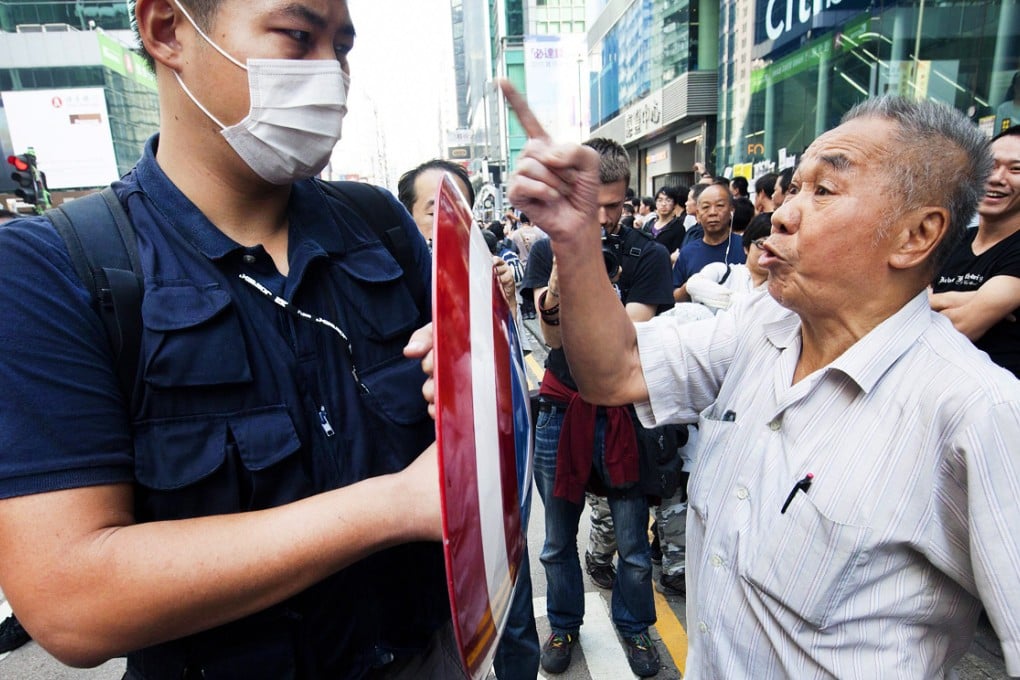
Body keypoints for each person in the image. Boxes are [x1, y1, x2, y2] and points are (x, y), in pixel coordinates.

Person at [0, 2, 462, 678]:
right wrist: (395, 505)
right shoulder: (54, 270)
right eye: (298, 38)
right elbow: (72, 600)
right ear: (167, 30)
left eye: (341, 48)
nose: (330, 76)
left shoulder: (382, 229)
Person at [502, 80, 1020, 677]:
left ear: (916, 235)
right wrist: (573, 236)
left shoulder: (977, 413)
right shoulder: (761, 324)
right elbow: (614, 370)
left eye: (824, 190)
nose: (784, 212)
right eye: (794, 187)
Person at [519, 137, 673, 678]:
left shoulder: (647, 256)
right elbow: (553, 341)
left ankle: (635, 629)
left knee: (633, 544)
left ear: (628, 196)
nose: (604, 218)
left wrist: (595, 280)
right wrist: (562, 284)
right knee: (557, 539)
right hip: (561, 410)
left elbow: (631, 344)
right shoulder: (547, 251)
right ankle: (562, 623)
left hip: (624, 414)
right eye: (593, 206)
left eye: (614, 205)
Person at [931, 126, 1020, 378]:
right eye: (990, 165)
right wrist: (970, 297)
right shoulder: (951, 238)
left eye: (1016, 169)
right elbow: (899, 303)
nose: (997, 177)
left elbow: (962, 327)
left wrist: (926, 302)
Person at [671, 182, 746, 302]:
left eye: (720, 205)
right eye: (706, 207)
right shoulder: (688, 253)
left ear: (732, 211)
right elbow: (673, 297)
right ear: (698, 215)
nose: (712, 212)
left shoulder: (746, 248)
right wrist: (690, 287)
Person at [397, 158, 474, 251]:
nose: (450, 222)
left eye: (461, 213)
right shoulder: (394, 264)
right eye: (435, 213)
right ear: (408, 218)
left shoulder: (485, 262)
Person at [642, 185, 686, 259]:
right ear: (655, 203)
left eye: (668, 200)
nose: (663, 204)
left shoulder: (678, 227)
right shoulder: (649, 224)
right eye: (660, 200)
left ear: (674, 204)